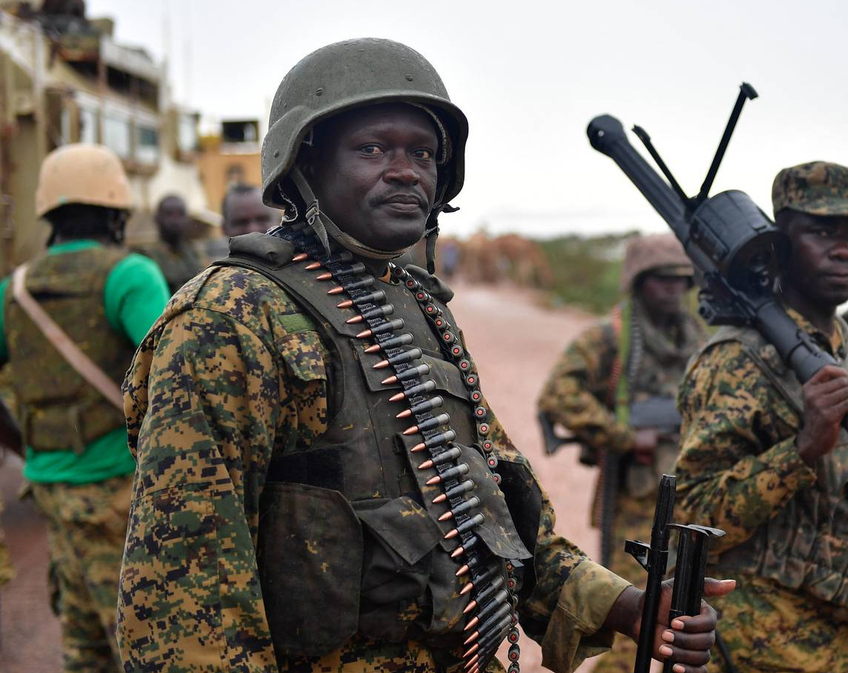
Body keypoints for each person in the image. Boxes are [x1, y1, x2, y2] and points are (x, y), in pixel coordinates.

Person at [117, 38, 731, 673]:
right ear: (306, 164)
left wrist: (626, 606)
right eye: (372, 149)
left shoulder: (418, 307)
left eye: (424, 153)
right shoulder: (233, 315)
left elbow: (500, 507)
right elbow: (185, 599)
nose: (406, 170)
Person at [673, 162, 848, 673]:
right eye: (822, 231)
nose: (846, 249)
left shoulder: (843, 339)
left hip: (830, 632)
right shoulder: (738, 359)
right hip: (754, 643)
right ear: (779, 243)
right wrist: (802, 448)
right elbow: (692, 516)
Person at [0, 144, 170, 673]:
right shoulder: (131, 276)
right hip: (123, 493)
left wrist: (27, 444)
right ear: (118, 211)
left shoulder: (13, 290)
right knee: (147, 648)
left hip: (49, 488)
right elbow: (176, 375)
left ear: (47, 212)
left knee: (82, 646)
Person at [537, 233, 705, 673]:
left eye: (682, 280)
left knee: (688, 612)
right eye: (662, 280)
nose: (674, 289)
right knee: (639, 618)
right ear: (638, 281)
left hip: (691, 491)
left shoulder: (695, 335)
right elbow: (559, 394)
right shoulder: (610, 336)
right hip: (635, 501)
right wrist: (625, 436)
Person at [136, 194, 203, 293]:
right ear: (157, 219)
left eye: (180, 214)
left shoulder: (194, 253)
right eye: (169, 214)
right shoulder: (148, 256)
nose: (175, 221)